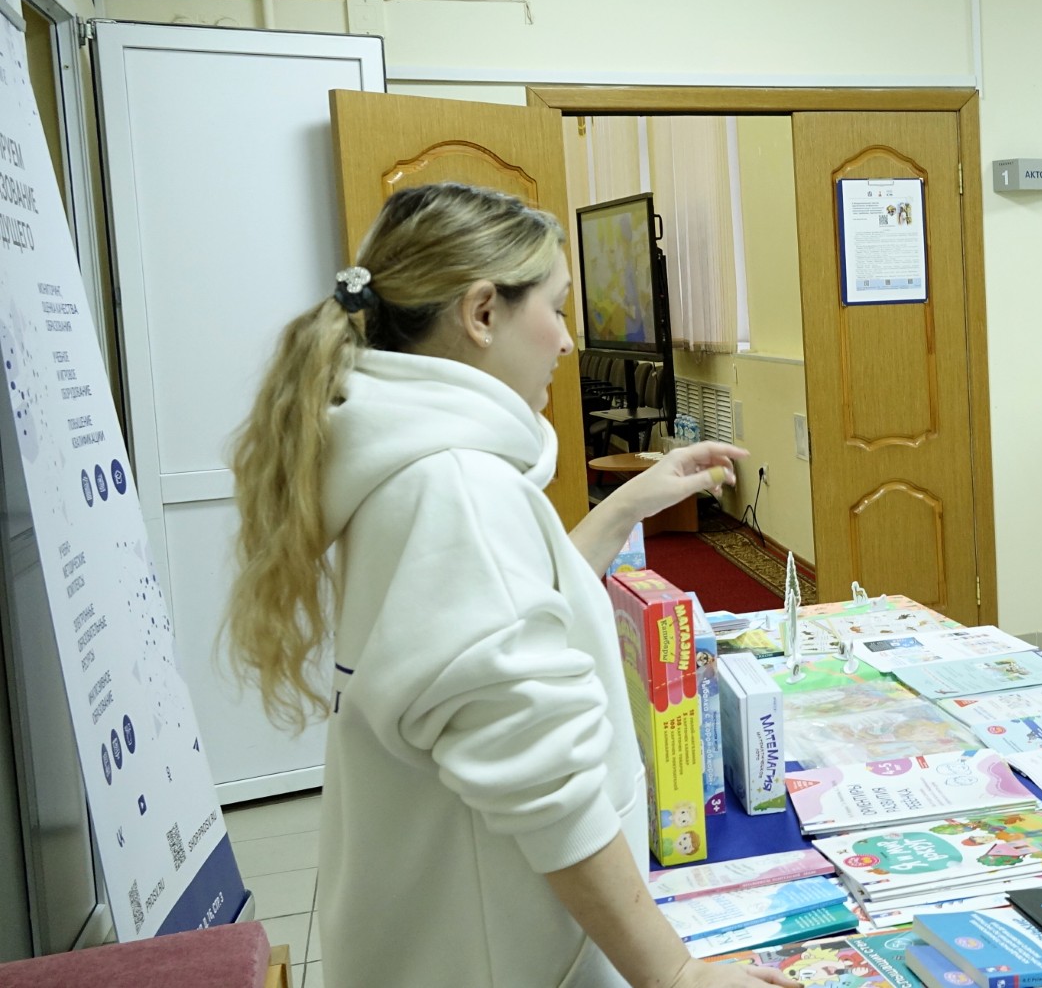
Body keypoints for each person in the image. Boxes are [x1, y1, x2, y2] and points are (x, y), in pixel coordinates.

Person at [223, 182, 794, 988]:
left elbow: (509, 610)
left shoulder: (418, 471)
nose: (566, 340)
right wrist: (677, 974)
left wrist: (628, 502)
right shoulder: (457, 491)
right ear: (483, 312)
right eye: (555, 308)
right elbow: (549, 790)